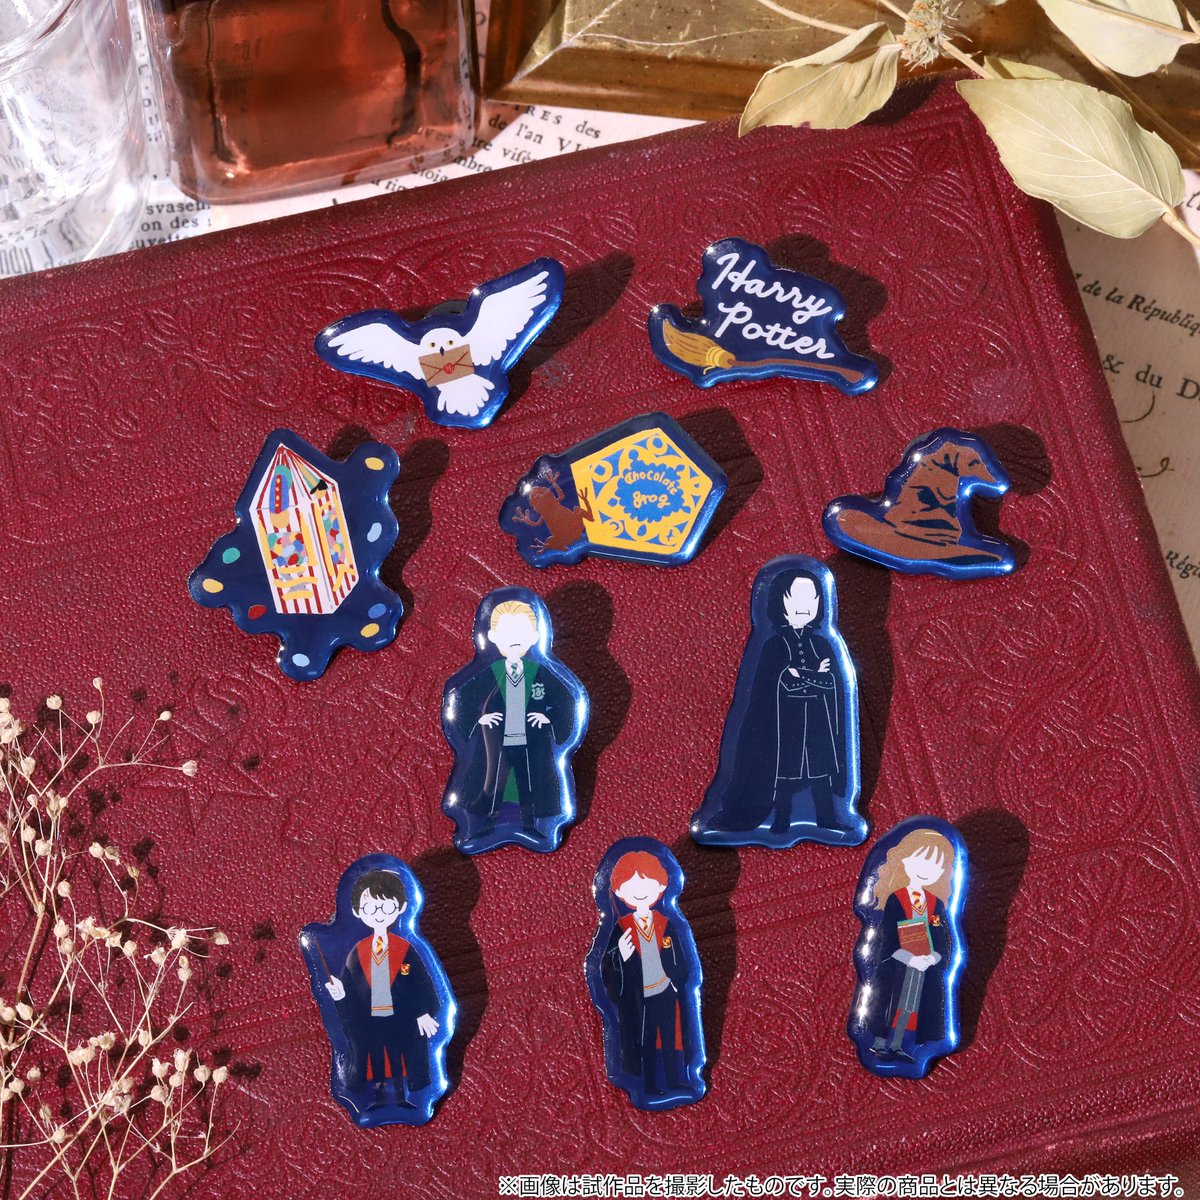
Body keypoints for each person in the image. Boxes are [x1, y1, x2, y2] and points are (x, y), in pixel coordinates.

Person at [694, 561, 862, 845]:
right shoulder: (773, 645)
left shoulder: (822, 644)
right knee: (786, 772)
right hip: (784, 723)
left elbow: (828, 682)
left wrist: (801, 676)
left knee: (820, 770)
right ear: (780, 602)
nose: (804, 606)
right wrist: (809, 676)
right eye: (796, 598)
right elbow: (778, 683)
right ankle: (780, 820)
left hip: (817, 720)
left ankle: (828, 817)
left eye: (812, 598)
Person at [443, 597, 582, 850]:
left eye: (521, 632)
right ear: (493, 637)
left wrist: (548, 719)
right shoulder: (489, 672)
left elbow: (567, 701)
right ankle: (483, 826)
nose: (515, 639)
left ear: (534, 637)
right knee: (493, 782)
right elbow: (462, 699)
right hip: (496, 743)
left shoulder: (541, 671)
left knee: (529, 784)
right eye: (507, 632)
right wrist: (480, 719)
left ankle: (532, 826)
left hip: (532, 742)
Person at [323, 869, 441, 1109]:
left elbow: (421, 982)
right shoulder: (358, 951)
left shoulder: (404, 948)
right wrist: (342, 994)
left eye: (386, 907)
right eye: (371, 908)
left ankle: (399, 1097)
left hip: (400, 1016)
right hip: (370, 1018)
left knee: (398, 1056)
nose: (379, 914)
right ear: (358, 911)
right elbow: (351, 988)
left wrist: (423, 1012)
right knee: (376, 1058)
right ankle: (378, 1098)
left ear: (401, 907)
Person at [599, 849, 698, 1099]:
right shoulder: (621, 928)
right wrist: (620, 955)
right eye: (631, 886)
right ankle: (650, 1085)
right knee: (646, 1040)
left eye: (647, 883)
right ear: (620, 892)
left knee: (671, 1036)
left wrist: (676, 983)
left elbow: (681, 958)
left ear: (661, 886)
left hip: (665, 991)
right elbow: (606, 966)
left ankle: (675, 1079)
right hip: (639, 997)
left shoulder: (667, 923)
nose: (640, 892)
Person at [865, 828, 956, 1062]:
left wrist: (933, 957)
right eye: (921, 860)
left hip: (923, 965)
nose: (927, 870)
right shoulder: (896, 898)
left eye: (936, 866)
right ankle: (879, 1043)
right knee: (890, 1002)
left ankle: (897, 1045)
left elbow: (942, 935)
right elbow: (887, 936)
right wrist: (907, 957)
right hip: (897, 962)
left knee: (910, 1005)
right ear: (905, 860)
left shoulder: (936, 904)